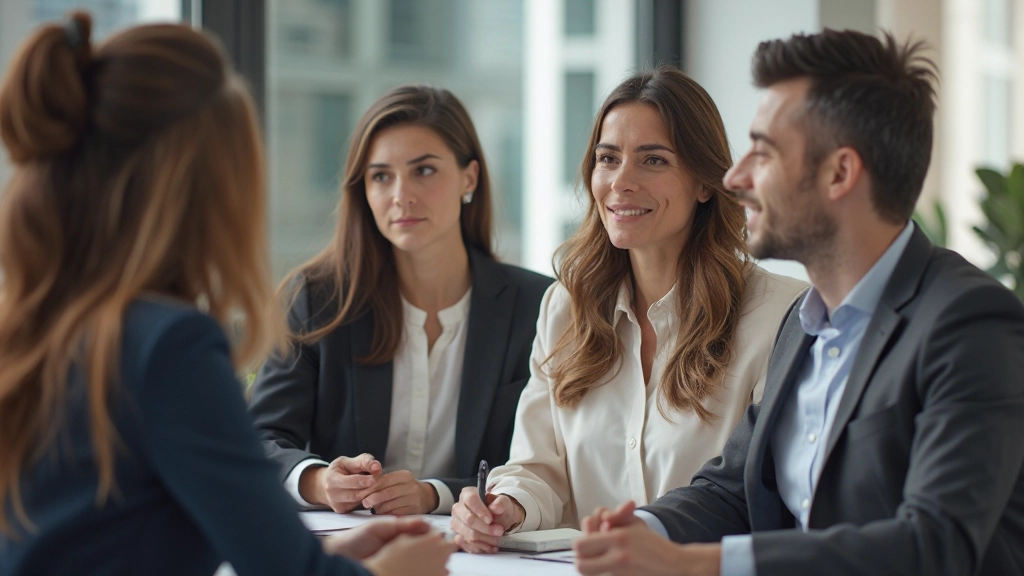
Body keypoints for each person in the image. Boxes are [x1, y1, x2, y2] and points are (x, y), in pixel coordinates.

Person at [0, 13, 452, 576]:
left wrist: (322, 554)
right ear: (196, 184)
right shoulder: (168, 344)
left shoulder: (42, 323)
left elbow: (112, 540)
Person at [573, 29, 1024, 576]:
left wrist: (701, 564)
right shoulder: (805, 322)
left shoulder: (970, 324)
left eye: (763, 152)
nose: (735, 178)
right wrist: (641, 531)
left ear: (840, 173)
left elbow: (934, 545)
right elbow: (735, 487)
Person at [450, 67, 807, 553]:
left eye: (654, 160)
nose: (621, 181)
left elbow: (759, 496)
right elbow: (538, 468)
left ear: (705, 183)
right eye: (608, 158)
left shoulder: (778, 313)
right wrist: (505, 507)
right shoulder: (565, 307)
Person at [247, 85, 553, 517]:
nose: (401, 195)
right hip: (353, 548)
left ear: (469, 177)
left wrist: (433, 494)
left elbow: (545, 468)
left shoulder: (539, 306)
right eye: (381, 176)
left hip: (480, 552)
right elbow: (257, 439)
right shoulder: (318, 299)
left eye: (424, 171)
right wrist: (318, 480)